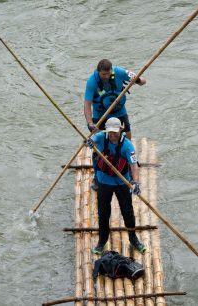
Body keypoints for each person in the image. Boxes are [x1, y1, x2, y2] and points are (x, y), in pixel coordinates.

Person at [85, 117, 146, 255]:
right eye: (110, 132)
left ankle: (133, 238)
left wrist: (135, 182)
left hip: (122, 182)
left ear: (120, 130)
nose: (113, 135)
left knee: (127, 212)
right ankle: (102, 240)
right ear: (106, 130)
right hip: (104, 181)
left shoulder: (128, 145)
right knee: (103, 212)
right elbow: (90, 141)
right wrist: (88, 142)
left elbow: (134, 166)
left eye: (115, 132)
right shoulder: (100, 137)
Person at [84, 59, 146, 140]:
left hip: (119, 111)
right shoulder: (92, 82)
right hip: (100, 114)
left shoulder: (119, 72)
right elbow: (87, 104)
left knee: (127, 134)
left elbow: (143, 81)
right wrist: (90, 123)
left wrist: (137, 80)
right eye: (103, 74)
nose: (106, 76)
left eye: (108, 74)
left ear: (111, 70)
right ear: (98, 71)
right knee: (99, 139)